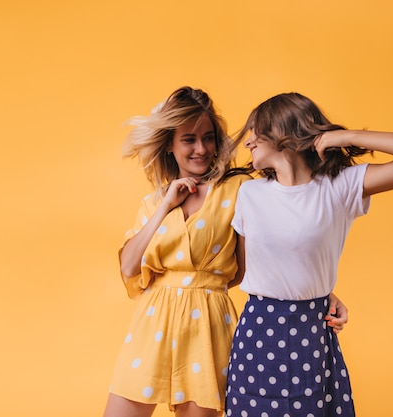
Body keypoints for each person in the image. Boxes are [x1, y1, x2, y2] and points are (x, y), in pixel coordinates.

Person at [103, 87, 350, 417]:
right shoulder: (152, 203)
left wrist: (321, 290)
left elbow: (279, 242)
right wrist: (166, 204)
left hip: (209, 323)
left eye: (208, 138)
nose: (201, 149)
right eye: (189, 139)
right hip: (153, 323)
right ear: (170, 146)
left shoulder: (239, 191)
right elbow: (130, 267)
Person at [225, 92, 393, 417]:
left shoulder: (339, 186)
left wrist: (345, 137)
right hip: (258, 329)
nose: (247, 142)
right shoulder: (249, 193)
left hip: (312, 331)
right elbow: (244, 270)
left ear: (281, 133)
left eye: (255, 131)